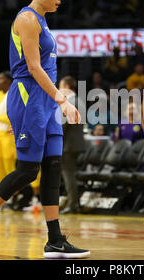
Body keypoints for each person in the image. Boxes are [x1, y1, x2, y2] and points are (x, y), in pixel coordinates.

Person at [0, 0, 90, 258]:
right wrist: (60, 99)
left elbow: (45, 68)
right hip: (29, 97)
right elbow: (33, 67)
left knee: (53, 166)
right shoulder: (27, 19)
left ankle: (55, 239)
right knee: (28, 170)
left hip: (45, 102)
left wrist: (57, 98)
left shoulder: (43, 20)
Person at [58, 76, 84, 214]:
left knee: (68, 175)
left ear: (67, 87)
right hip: (76, 143)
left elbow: (63, 124)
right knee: (71, 174)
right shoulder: (79, 100)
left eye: (61, 87)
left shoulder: (70, 101)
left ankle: (72, 204)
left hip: (69, 144)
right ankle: (74, 202)